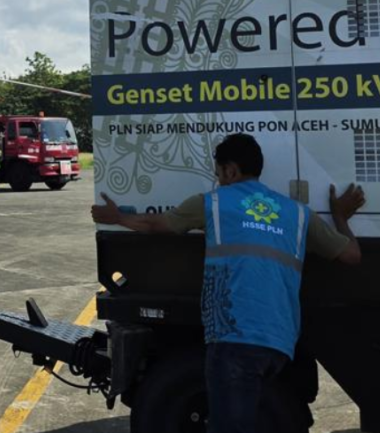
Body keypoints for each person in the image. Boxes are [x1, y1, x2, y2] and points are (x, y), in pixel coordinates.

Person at [91, 133, 364, 433]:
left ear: (231, 170)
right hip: (280, 342)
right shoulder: (297, 213)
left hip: (235, 338)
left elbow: (156, 224)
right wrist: (340, 217)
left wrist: (115, 216)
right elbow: (352, 255)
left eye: (219, 174)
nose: (218, 181)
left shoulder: (215, 204)